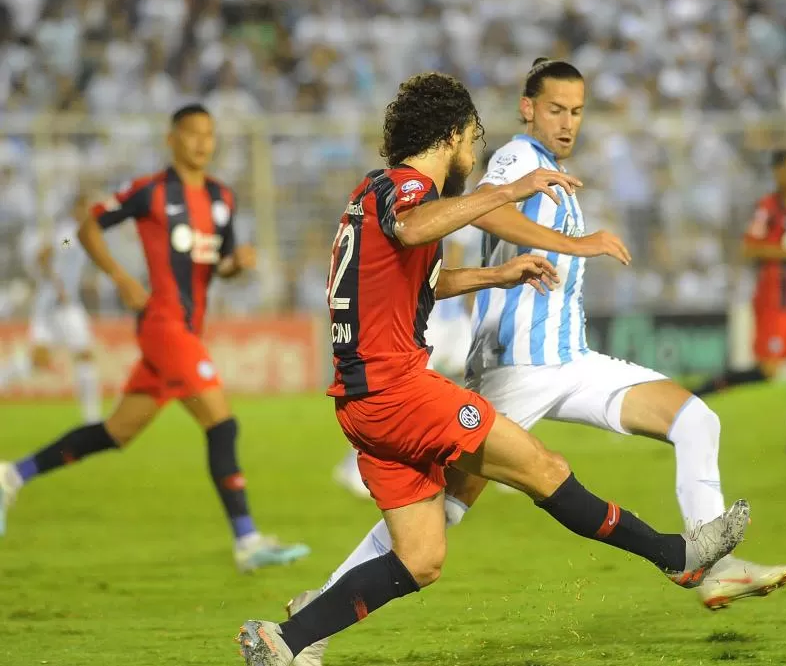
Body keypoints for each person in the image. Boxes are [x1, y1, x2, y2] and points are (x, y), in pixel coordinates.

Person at [236, 72, 750, 666]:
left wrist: (496, 275)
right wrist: (507, 191)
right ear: (453, 135)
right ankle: (676, 556)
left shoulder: (370, 191)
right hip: (399, 391)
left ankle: (283, 640)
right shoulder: (406, 191)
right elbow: (413, 227)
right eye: (472, 142)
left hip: (361, 404)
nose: (475, 156)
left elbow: (423, 281)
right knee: (543, 467)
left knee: (422, 557)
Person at [0, 104, 310, 572]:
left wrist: (236, 265)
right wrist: (121, 278)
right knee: (222, 423)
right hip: (162, 325)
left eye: (209, 134)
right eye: (193, 133)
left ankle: (11, 475)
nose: (203, 142)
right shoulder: (151, 191)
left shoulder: (222, 198)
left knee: (116, 431)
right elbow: (88, 228)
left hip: (185, 330)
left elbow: (219, 267)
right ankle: (247, 541)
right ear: (172, 138)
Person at [691, 150, 786, 461]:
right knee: (767, 371)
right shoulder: (767, 207)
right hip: (772, 300)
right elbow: (749, 247)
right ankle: (698, 392)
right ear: (778, 172)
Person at [332, 224, 479, 498]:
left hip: (449, 314)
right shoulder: (449, 207)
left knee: (463, 382)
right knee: (413, 391)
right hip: (433, 314)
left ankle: (464, 461)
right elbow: (451, 260)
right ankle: (356, 465)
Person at [0, 195, 101, 423]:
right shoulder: (69, 235)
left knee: (38, 361)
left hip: (51, 303)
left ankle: (2, 377)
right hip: (62, 304)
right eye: (87, 207)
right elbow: (46, 253)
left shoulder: (80, 234)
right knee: (84, 355)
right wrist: (58, 284)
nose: (90, 212)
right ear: (77, 208)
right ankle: (92, 419)